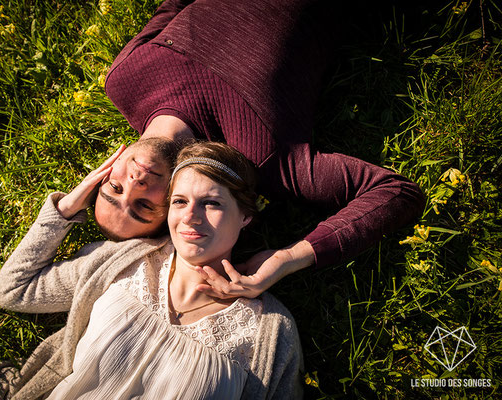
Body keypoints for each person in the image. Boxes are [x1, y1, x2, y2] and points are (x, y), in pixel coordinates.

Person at [83, 0, 426, 298]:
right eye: (143, 206)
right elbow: (396, 192)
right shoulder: (265, 159)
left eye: (114, 188)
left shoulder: (124, 79)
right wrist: (286, 259)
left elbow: (173, 7)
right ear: (174, 204)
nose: (134, 184)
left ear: (105, 170)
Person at [0, 142, 303, 399]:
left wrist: (288, 259)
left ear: (246, 217)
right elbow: (12, 290)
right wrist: (67, 206)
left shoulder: (269, 333)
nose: (191, 217)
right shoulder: (124, 263)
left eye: (211, 203)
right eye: (179, 201)